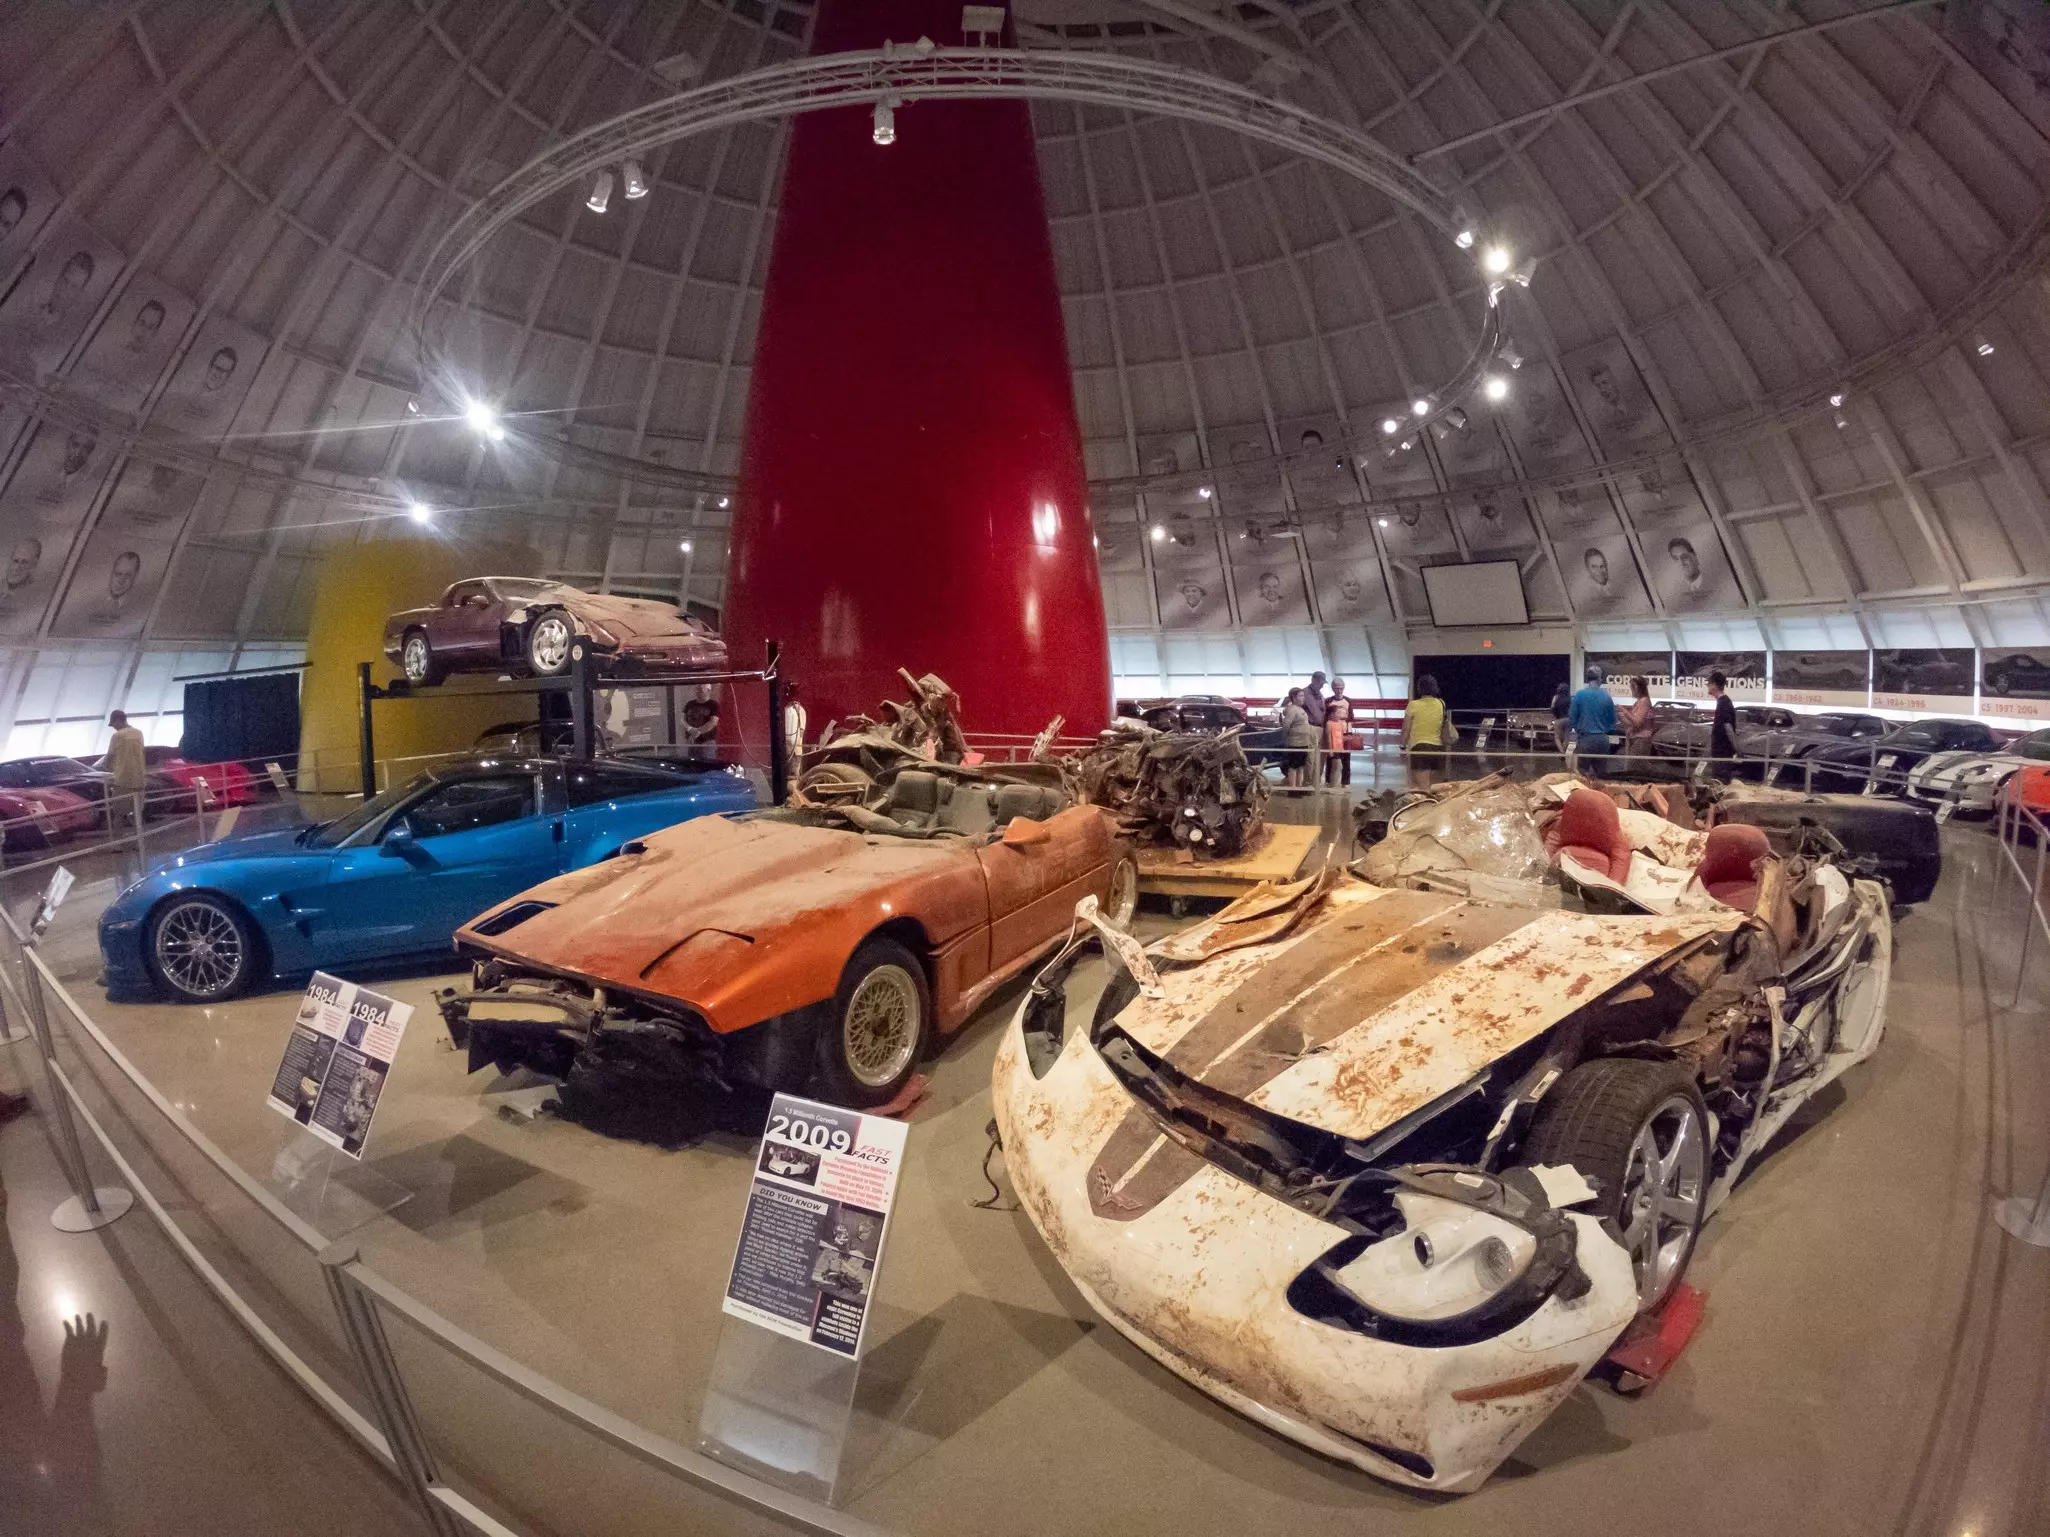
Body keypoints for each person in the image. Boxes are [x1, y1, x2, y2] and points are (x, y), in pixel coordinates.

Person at [96, 710, 147, 833]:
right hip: (139, 779)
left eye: (113, 724)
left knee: (118, 814)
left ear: (118, 720)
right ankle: (139, 843)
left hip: (122, 780)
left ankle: (118, 845)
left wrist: (103, 769)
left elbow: (110, 756)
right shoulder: (139, 733)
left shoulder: (117, 736)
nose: (113, 727)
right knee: (136, 814)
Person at [1568, 665, 1618, 772]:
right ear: (1599, 679)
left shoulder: (1579, 695)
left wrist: (1578, 729)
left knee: (1582, 774)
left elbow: (1572, 718)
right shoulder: (1606, 696)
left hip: (1585, 739)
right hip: (1602, 739)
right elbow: (1613, 721)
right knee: (1601, 775)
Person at [1403, 675, 1449, 789]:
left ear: (1420, 688)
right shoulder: (1441, 703)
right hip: (1437, 749)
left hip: (1419, 749)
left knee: (1422, 788)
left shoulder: (1413, 705)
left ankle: (1426, 806)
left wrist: (1403, 745)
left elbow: (1406, 729)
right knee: (1433, 788)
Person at [1279, 687, 1315, 789]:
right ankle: (1292, 789)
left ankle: (1299, 788)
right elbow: (1286, 725)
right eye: (1301, 696)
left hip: (1304, 742)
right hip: (1295, 743)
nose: (1303, 698)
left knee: (1301, 767)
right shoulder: (1292, 709)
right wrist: (1285, 739)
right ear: (1294, 698)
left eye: (1303, 696)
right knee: (1293, 767)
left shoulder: (1301, 709)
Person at [1323, 678, 1352, 788]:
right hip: (1333, 733)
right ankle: (1329, 781)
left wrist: (1341, 717)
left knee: (1346, 759)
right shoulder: (1328, 701)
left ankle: (1345, 782)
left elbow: (1351, 716)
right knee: (1331, 758)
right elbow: (1326, 716)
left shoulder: (1348, 701)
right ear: (1333, 689)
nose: (1339, 691)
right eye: (1337, 688)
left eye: (1341, 688)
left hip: (1345, 732)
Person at [1301, 670, 1328, 787]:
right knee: (1310, 757)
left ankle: (1316, 782)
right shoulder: (1304, 693)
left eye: (1323, 683)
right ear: (1314, 680)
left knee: (1321, 757)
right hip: (1310, 727)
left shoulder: (1320, 694)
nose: (1322, 685)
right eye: (1321, 683)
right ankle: (1307, 782)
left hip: (1321, 728)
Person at [1707, 669, 1738, 767]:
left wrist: (1736, 748)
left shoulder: (1724, 703)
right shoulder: (1723, 702)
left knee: (1720, 780)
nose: (1707, 686)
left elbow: (1727, 726)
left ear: (1714, 685)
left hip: (1722, 752)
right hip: (1721, 751)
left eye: (1709, 684)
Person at [1621, 675, 1657, 760]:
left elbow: (1637, 722)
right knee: (1638, 767)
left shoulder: (1644, 702)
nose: (1631, 689)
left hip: (1641, 740)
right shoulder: (1640, 702)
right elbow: (1631, 723)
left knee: (1633, 767)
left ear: (1640, 688)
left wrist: (1624, 711)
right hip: (1637, 739)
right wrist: (1621, 716)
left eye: (1633, 687)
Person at [781, 682, 807, 788]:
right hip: (786, 747)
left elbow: (801, 730)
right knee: (786, 771)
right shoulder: (786, 710)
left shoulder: (799, 710)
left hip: (796, 748)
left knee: (794, 772)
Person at [1549, 681, 1572, 754]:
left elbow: (1552, 709)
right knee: (1566, 738)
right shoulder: (1569, 699)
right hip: (1568, 719)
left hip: (1559, 719)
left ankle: (1561, 752)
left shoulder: (1556, 698)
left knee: (1557, 737)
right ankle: (1563, 752)